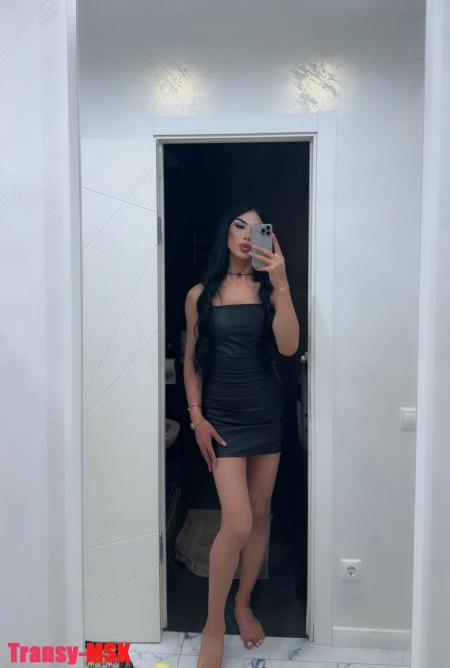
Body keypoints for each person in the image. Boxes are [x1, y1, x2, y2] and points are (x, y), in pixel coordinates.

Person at [183, 202, 300, 668]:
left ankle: (242, 602)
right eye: (239, 225)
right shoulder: (200, 294)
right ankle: (213, 624)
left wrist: (282, 283)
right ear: (226, 232)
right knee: (237, 522)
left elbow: (289, 346)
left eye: (257, 229)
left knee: (261, 512)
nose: (248, 235)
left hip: (266, 412)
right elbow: (192, 360)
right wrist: (197, 418)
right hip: (222, 417)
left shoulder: (269, 291)